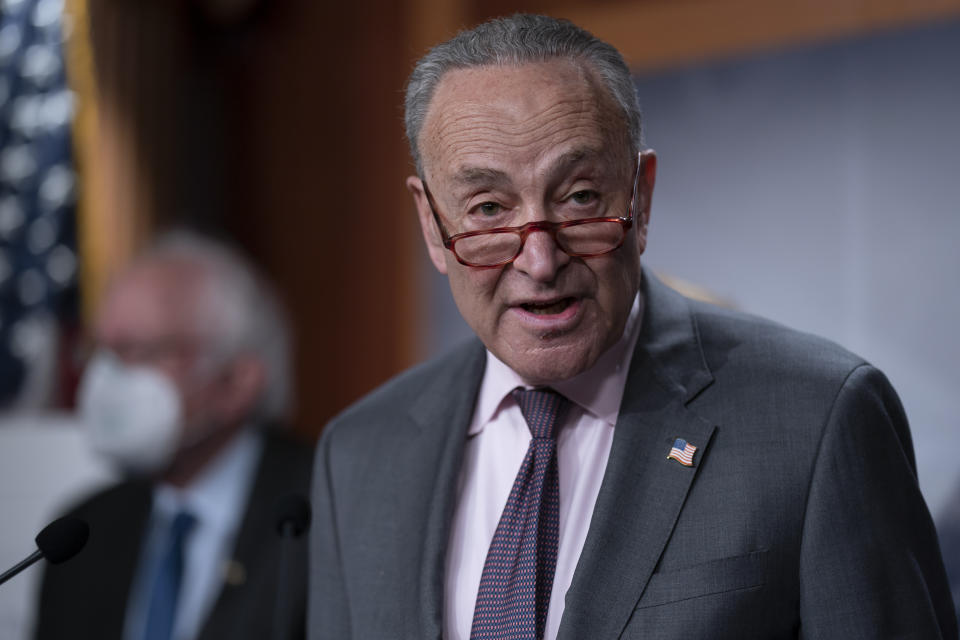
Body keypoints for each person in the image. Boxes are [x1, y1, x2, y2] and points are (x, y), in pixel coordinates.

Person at [308, 14, 956, 640]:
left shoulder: (816, 419)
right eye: (487, 208)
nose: (540, 260)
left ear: (640, 197)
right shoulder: (362, 454)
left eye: (580, 198)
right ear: (431, 223)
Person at [34, 231, 312, 640]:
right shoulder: (82, 532)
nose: (105, 378)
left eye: (136, 352)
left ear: (238, 380)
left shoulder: (323, 513)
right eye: (99, 351)